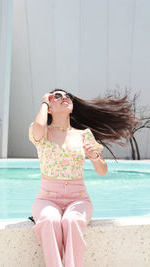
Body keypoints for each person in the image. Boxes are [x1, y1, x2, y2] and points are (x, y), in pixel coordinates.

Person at [28, 89, 139, 267]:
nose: (64, 98)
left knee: (72, 221)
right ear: (49, 107)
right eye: (57, 96)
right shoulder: (42, 132)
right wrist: (43, 102)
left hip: (78, 199)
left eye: (68, 96)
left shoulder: (84, 134)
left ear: (72, 106)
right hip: (47, 198)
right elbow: (39, 128)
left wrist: (94, 157)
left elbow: (102, 171)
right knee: (50, 220)